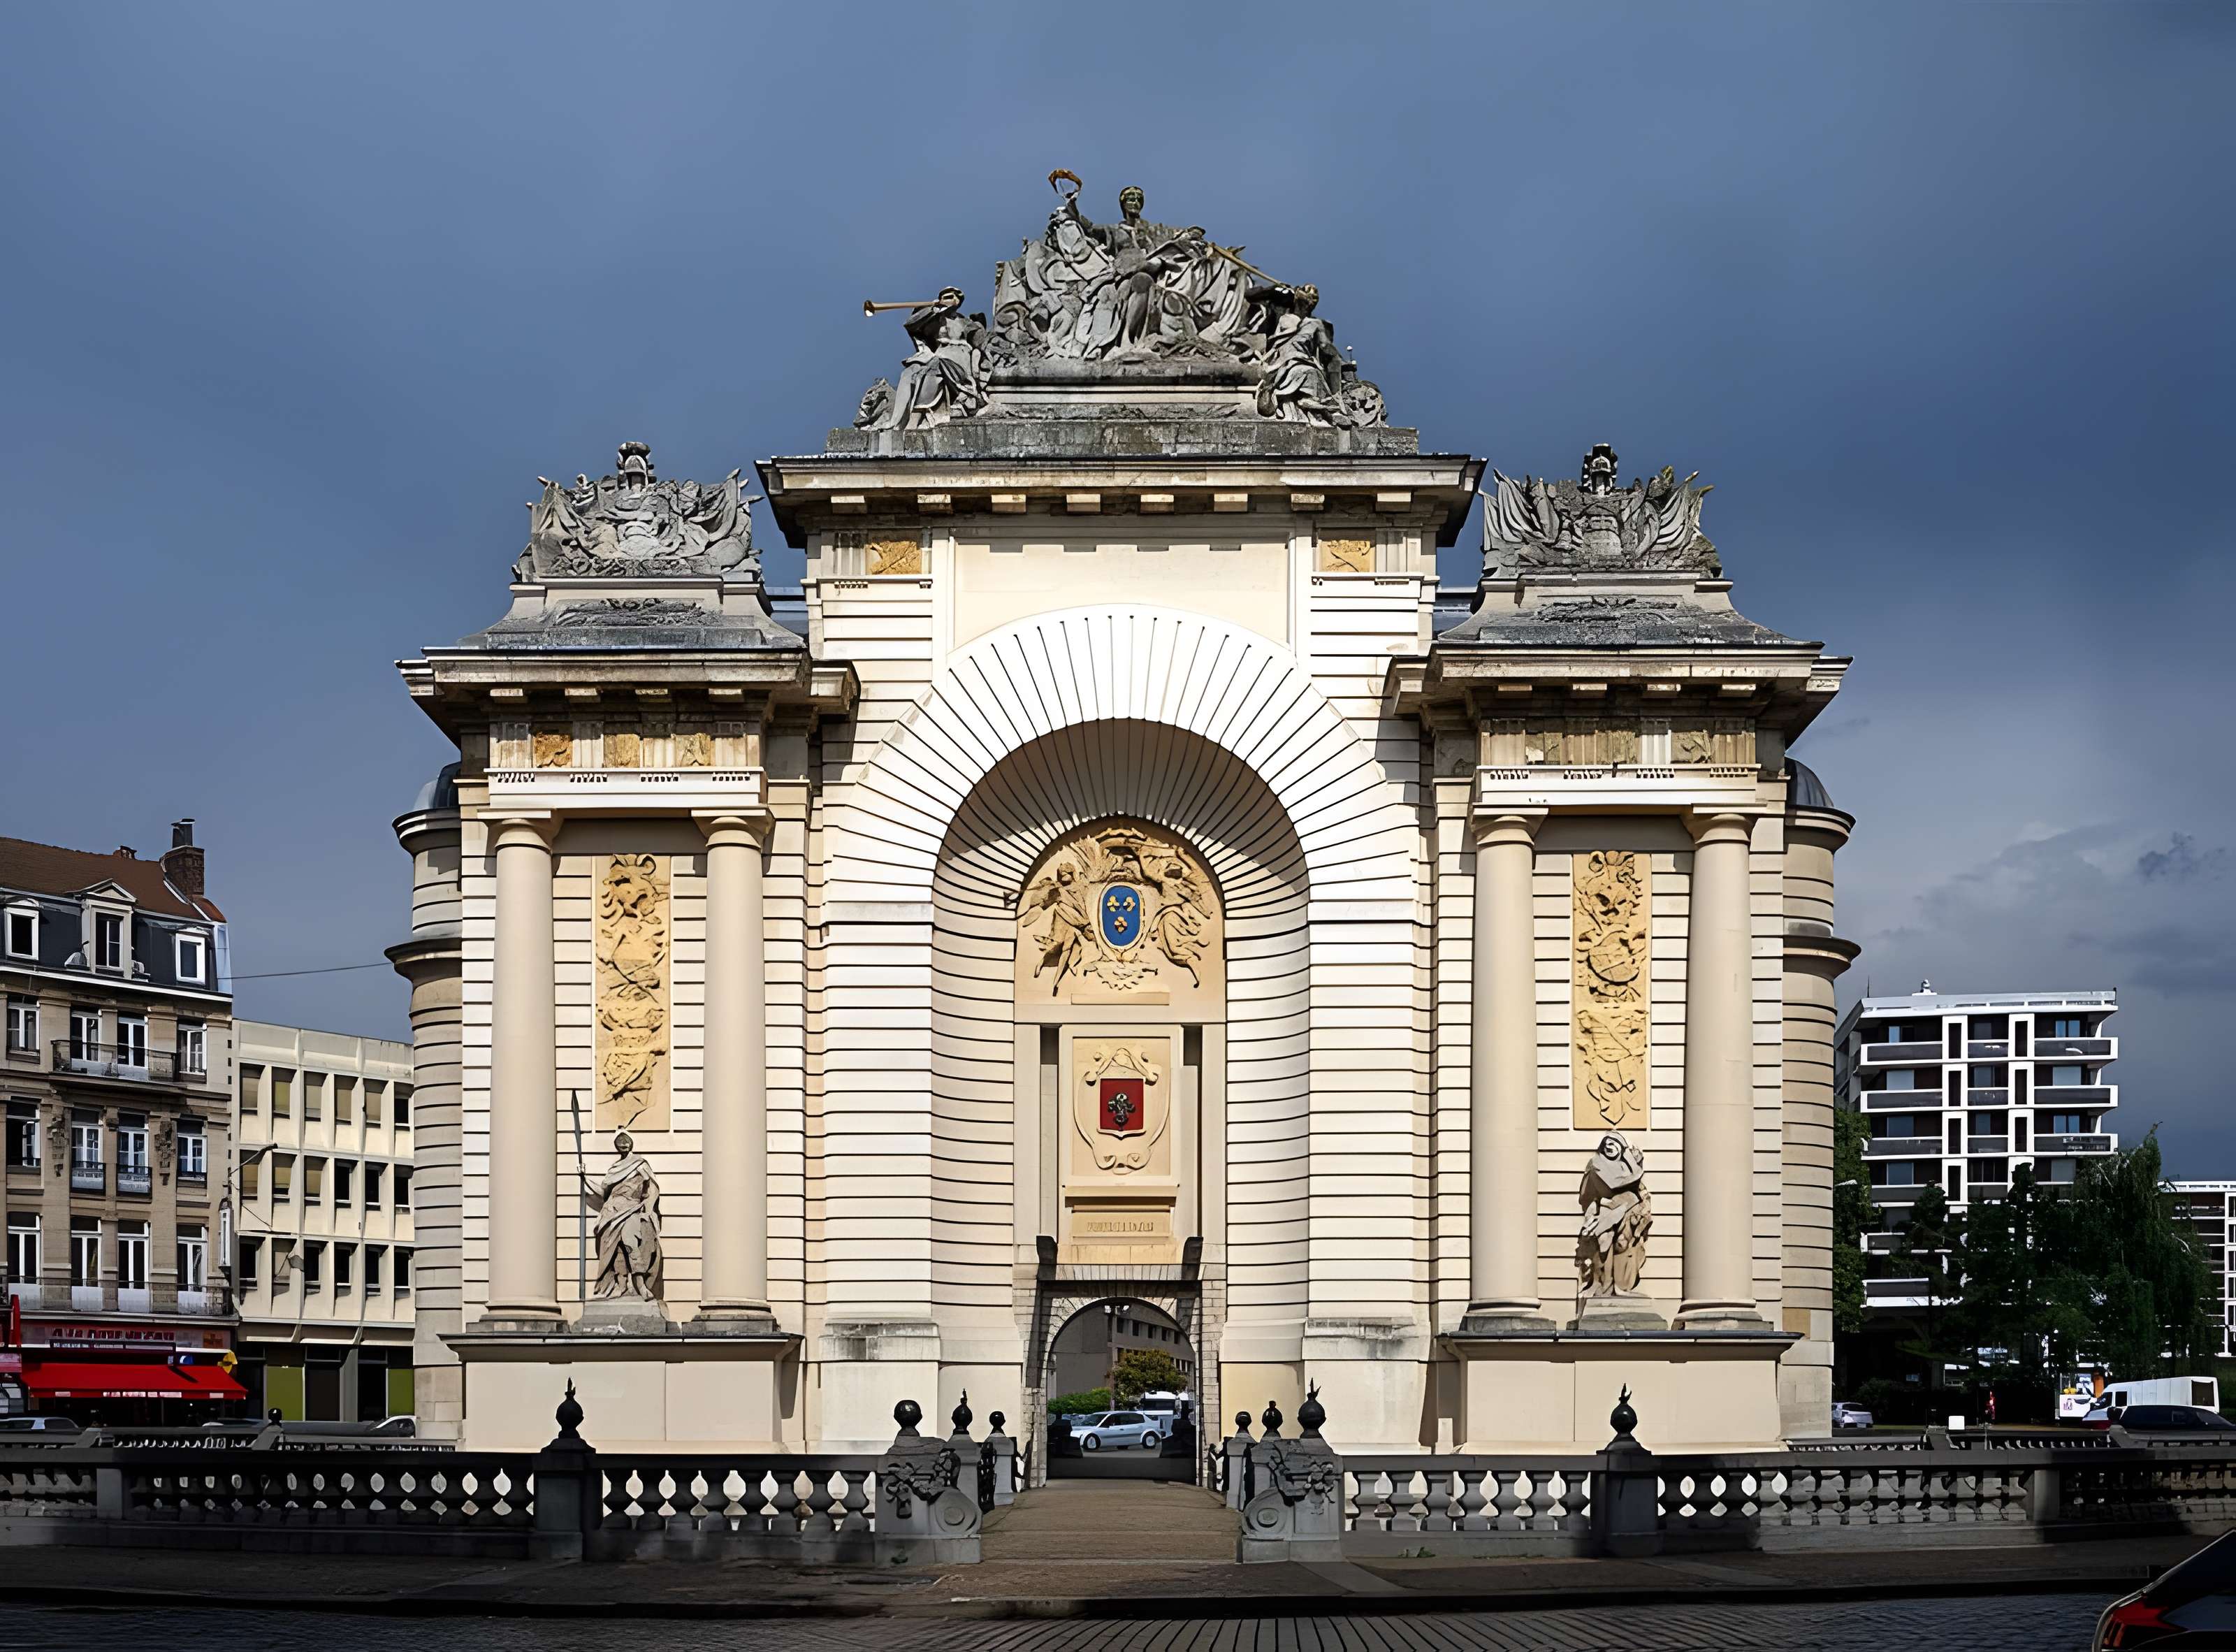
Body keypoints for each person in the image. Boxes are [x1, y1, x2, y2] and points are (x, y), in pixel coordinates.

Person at [586, 1131, 663, 1300]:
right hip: (611, 1213)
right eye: (620, 1145)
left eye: (625, 1144)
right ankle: (621, 1286)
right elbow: (603, 1193)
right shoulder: (614, 1170)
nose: (623, 1147)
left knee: (630, 1241)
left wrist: (648, 1211)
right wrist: (584, 1178)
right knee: (614, 1248)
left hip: (632, 1210)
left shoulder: (640, 1164)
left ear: (630, 1145)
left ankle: (641, 1285)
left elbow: (652, 1189)